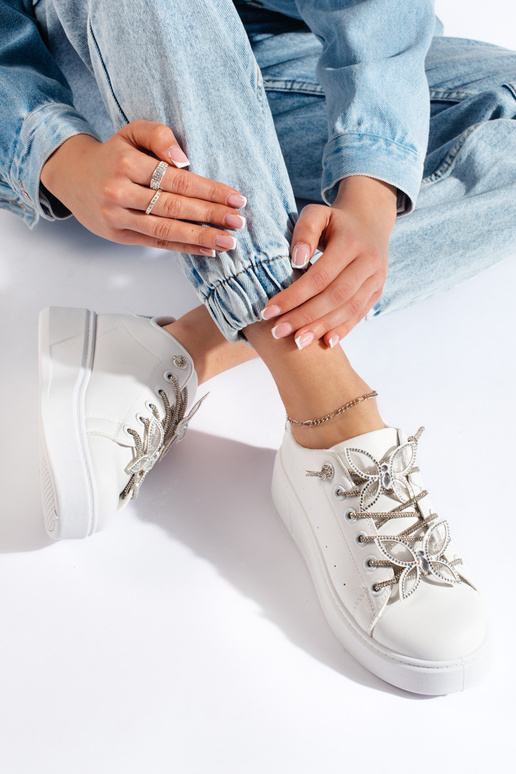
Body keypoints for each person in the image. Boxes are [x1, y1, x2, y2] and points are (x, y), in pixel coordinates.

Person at [2, 0, 514, 695]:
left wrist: (372, 187)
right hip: (91, 71)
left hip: (269, 56)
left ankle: (187, 347)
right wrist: (55, 153)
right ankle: (329, 410)